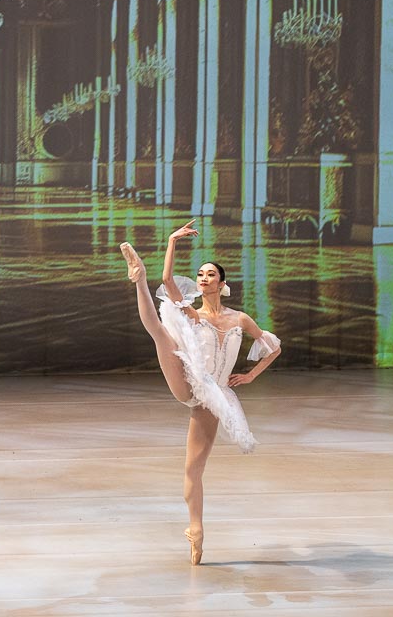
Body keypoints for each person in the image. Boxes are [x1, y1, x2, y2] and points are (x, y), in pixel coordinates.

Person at [119, 221, 280, 565]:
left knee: (193, 469)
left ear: (222, 284)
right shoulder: (192, 313)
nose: (204, 278)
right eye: (200, 274)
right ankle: (138, 277)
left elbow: (272, 348)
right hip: (189, 376)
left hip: (214, 395)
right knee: (162, 335)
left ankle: (196, 529)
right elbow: (168, 281)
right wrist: (172, 240)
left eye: (210, 275)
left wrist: (251, 375)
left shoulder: (240, 320)